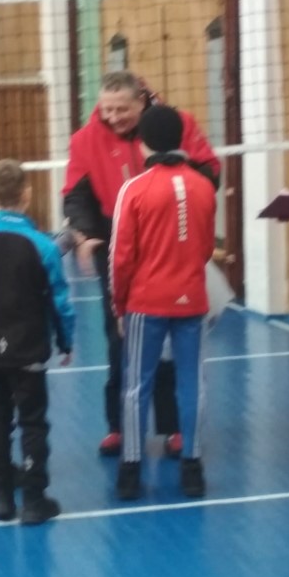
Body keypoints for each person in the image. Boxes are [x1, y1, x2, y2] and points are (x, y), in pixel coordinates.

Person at [62, 71, 220, 457]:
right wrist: (86, 234)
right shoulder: (85, 140)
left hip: (169, 240)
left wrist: (172, 195)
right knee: (119, 336)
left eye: (122, 109)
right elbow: (76, 195)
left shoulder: (175, 125)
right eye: (107, 110)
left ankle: (173, 428)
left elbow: (209, 172)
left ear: (141, 102)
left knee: (168, 340)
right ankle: (119, 426)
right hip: (114, 242)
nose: (114, 117)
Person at [0, 159, 75, 524]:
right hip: (29, 349)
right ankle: (35, 500)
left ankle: (1, 498)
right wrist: (66, 342)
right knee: (33, 422)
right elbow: (59, 301)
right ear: (27, 194)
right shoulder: (43, 247)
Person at [110, 105, 216, 500]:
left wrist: (120, 306)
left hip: (146, 303)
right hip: (192, 301)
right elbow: (206, 248)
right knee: (192, 383)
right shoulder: (203, 186)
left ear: (142, 143)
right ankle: (193, 467)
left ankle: (131, 471)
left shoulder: (134, 189)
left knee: (137, 385)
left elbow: (121, 258)